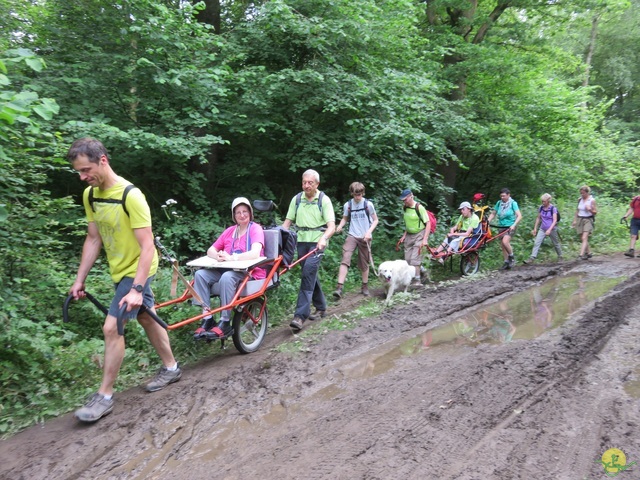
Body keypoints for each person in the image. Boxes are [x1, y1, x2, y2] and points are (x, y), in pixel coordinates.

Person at [67, 138, 181, 423]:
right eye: (79, 172)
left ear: (103, 160)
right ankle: (171, 368)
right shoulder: (91, 195)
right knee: (146, 318)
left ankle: (103, 397)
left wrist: (138, 289)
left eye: (86, 169)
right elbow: (93, 239)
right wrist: (80, 279)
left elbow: (147, 247)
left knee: (111, 328)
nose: (83, 177)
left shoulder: (131, 195)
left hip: (138, 269)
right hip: (120, 270)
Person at [192, 197, 266, 339]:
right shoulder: (229, 231)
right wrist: (217, 256)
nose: (242, 215)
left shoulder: (255, 229)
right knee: (200, 274)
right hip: (227, 269)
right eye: (238, 212)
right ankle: (207, 317)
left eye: (245, 211)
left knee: (227, 277)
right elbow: (210, 250)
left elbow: (255, 253)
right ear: (234, 215)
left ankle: (225, 321)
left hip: (249, 272)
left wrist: (233, 258)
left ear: (250, 213)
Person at [282, 170, 336, 331]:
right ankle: (321, 307)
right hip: (300, 242)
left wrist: (323, 238)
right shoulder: (297, 199)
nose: (306, 185)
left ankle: (300, 316)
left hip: (317, 243)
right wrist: (279, 239)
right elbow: (287, 223)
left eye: (310, 183)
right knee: (309, 273)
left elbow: (331, 226)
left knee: (307, 273)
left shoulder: (324, 200)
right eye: (304, 182)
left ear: (317, 184)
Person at [333, 182, 379, 298]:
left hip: (365, 237)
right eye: (355, 195)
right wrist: (340, 226)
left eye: (359, 194)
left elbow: (375, 220)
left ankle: (364, 285)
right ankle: (339, 287)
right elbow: (345, 218)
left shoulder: (368, 204)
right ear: (352, 194)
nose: (357, 197)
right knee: (345, 257)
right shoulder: (348, 205)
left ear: (363, 193)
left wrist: (369, 232)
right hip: (352, 235)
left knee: (364, 263)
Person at [399, 189, 430, 286]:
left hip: (419, 234)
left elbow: (428, 223)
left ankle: (417, 280)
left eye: (405, 199)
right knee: (408, 260)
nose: (404, 201)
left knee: (415, 259)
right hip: (409, 234)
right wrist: (404, 235)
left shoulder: (419, 207)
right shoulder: (405, 207)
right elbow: (408, 223)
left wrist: (425, 240)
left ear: (411, 196)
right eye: (403, 200)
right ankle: (422, 271)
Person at [487, 188, 522, 270]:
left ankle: (512, 257)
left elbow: (519, 216)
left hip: (510, 226)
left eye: (504, 196)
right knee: (503, 245)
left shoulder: (513, 203)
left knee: (505, 241)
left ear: (508, 195)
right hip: (501, 226)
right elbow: (493, 213)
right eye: (501, 196)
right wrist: (488, 221)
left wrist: (514, 225)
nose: (502, 198)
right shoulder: (499, 203)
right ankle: (506, 262)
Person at [523, 193, 563, 264]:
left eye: (544, 201)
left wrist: (549, 230)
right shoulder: (541, 208)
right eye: (542, 201)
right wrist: (535, 228)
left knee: (555, 243)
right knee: (536, 242)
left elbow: (554, 220)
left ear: (548, 201)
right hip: (542, 228)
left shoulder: (553, 209)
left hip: (552, 229)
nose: (543, 202)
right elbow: (538, 218)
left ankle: (560, 256)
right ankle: (532, 258)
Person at [571, 185, 597, 260]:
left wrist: (590, 210)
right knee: (582, 238)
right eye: (581, 193)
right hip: (580, 219)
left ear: (587, 192)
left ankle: (581, 255)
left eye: (583, 193)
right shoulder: (580, 200)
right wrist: (575, 220)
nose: (582, 195)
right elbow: (577, 210)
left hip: (588, 219)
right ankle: (588, 253)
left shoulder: (592, 200)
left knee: (584, 237)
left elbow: (595, 212)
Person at [621, 192, 640, 258]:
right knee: (633, 235)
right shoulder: (636, 199)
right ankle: (631, 251)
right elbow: (632, 208)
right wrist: (626, 216)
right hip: (635, 220)